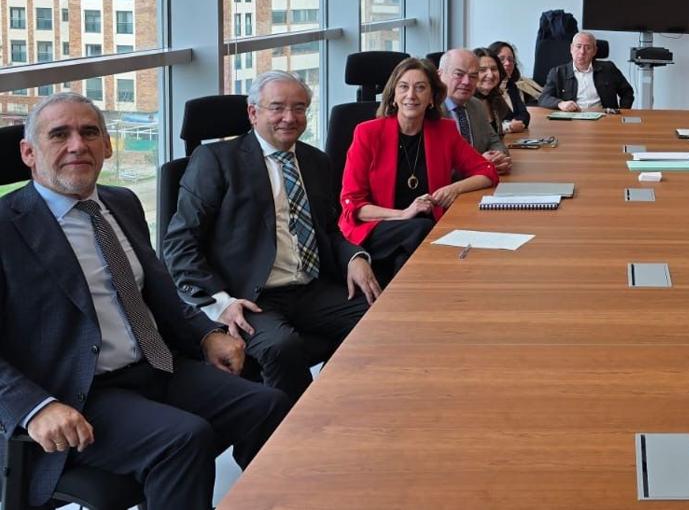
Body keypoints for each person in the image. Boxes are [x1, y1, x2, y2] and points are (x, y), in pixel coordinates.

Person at [0, 93, 289, 510]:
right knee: (184, 440)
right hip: (77, 392)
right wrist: (35, 408)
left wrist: (207, 335)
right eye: (59, 135)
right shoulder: (8, 228)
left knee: (269, 405)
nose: (77, 145)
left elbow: (159, 290)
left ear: (108, 145)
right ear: (29, 152)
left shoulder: (120, 202)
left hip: (154, 365)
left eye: (89, 132)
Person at [163, 71, 379, 404]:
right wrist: (220, 303)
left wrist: (355, 257)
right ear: (253, 113)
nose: (289, 118)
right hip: (249, 296)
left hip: (308, 287)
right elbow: (180, 244)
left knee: (380, 317)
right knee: (282, 347)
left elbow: (329, 230)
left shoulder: (316, 161)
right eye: (277, 108)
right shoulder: (216, 161)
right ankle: (291, 437)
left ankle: (340, 402)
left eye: (299, 108)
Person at [340, 57, 499, 279]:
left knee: (405, 259)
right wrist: (404, 214)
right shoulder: (367, 133)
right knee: (421, 228)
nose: (411, 95)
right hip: (376, 228)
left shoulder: (444, 131)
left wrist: (455, 188)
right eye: (403, 87)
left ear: (432, 98)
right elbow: (354, 205)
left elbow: (487, 171)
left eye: (420, 88)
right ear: (393, 96)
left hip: (417, 234)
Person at [439, 49, 512, 175]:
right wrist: (478, 163)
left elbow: (495, 142)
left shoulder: (477, 105)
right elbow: (436, 165)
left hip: (480, 184)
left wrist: (498, 157)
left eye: (473, 76)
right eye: (459, 74)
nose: (467, 82)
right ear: (439, 75)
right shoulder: (429, 112)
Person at [538, 31, 634, 111]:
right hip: (572, 120)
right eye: (578, 46)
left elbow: (627, 92)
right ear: (571, 49)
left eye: (587, 47)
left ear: (594, 51)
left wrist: (622, 112)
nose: (582, 52)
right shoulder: (557, 72)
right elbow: (543, 98)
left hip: (604, 119)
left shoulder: (609, 69)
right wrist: (560, 103)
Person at [488, 40, 531, 133]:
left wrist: (516, 124)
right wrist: (508, 127)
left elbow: (525, 116)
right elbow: (486, 126)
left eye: (511, 60)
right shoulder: (487, 90)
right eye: (501, 59)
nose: (507, 63)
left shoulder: (511, 86)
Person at [474, 47, 510, 138]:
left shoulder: (496, 99)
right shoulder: (465, 104)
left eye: (494, 69)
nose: (490, 75)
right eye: (482, 70)